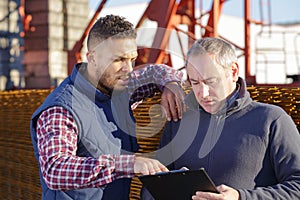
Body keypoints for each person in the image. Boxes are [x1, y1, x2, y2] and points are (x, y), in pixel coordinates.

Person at [30, 14, 185, 200]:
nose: (128, 69)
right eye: (119, 60)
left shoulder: (121, 87)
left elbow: (155, 71)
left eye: (132, 59)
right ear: (92, 58)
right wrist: (128, 164)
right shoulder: (61, 109)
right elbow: (55, 170)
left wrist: (172, 84)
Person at [142, 37, 300, 199]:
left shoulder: (271, 119)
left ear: (233, 72)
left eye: (210, 81)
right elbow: (150, 189)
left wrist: (241, 197)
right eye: (195, 82)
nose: (202, 94)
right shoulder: (179, 121)